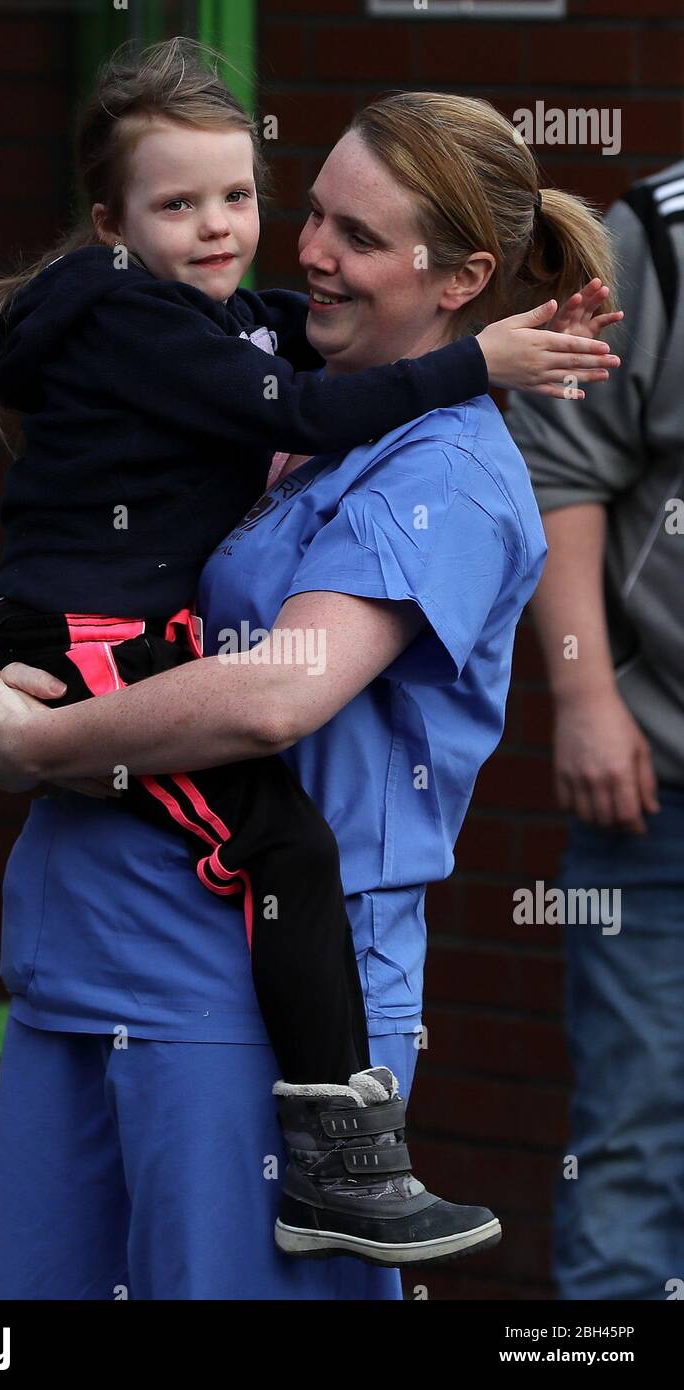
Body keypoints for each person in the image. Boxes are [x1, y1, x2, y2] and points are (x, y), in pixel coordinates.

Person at [0, 38, 616, 1271]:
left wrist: (27, 739)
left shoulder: (447, 467)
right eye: (309, 214)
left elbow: (272, 697)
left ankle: (345, 1172)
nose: (304, 252)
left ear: (460, 278)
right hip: (81, 956)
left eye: (357, 238)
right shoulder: (270, 385)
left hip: (236, 1007)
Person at [505, 160, 684, 1301]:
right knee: (636, 1134)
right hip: (661, 785)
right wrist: (582, 694)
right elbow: (559, 463)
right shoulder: (662, 236)